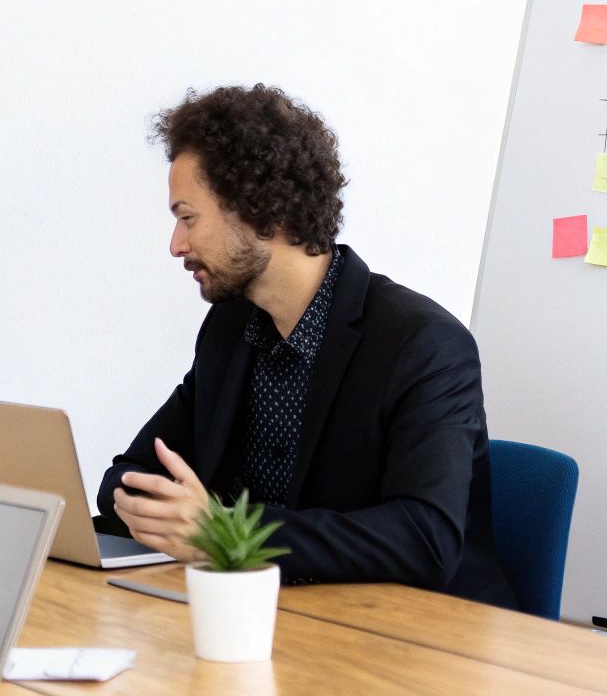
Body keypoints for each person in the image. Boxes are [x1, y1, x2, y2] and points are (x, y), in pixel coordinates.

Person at [96, 85, 518, 609]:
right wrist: (155, 508)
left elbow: (425, 537)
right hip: (282, 615)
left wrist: (226, 532)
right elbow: (131, 474)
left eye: (188, 217)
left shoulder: (423, 343)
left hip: (423, 639)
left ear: (262, 212)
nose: (176, 244)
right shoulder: (230, 329)